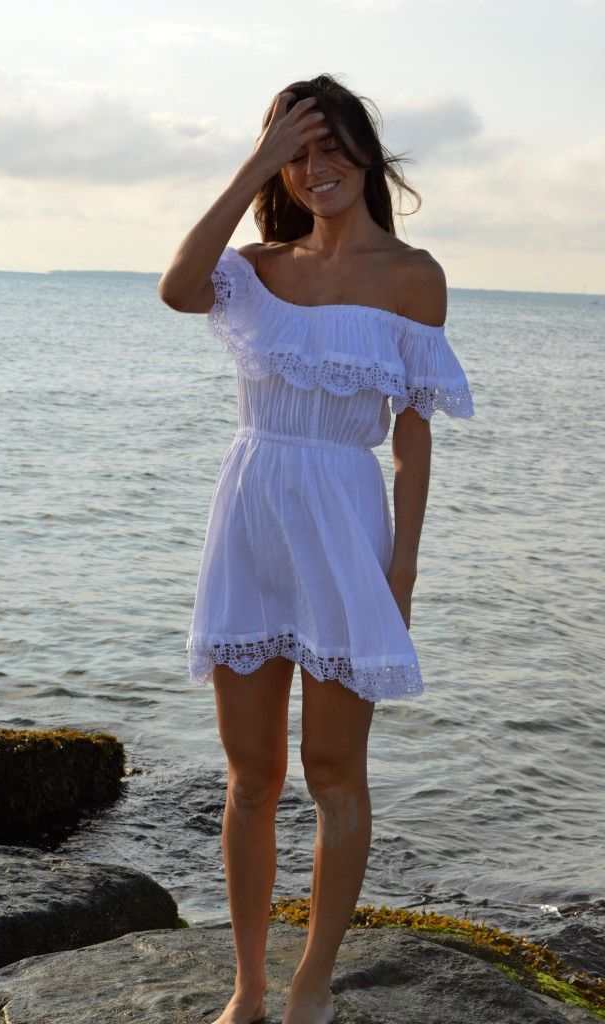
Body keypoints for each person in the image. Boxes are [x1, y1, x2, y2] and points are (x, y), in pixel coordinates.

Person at [158, 73, 474, 1024]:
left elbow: (412, 440)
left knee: (334, 769)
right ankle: (249, 986)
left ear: (366, 154)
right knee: (252, 775)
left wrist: (402, 570)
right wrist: (252, 162)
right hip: (250, 518)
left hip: (345, 522)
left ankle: (312, 986)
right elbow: (176, 289)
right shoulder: (255, 268)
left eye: (329, 146)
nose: (314, 168)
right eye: (294, 153)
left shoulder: (413, 277)